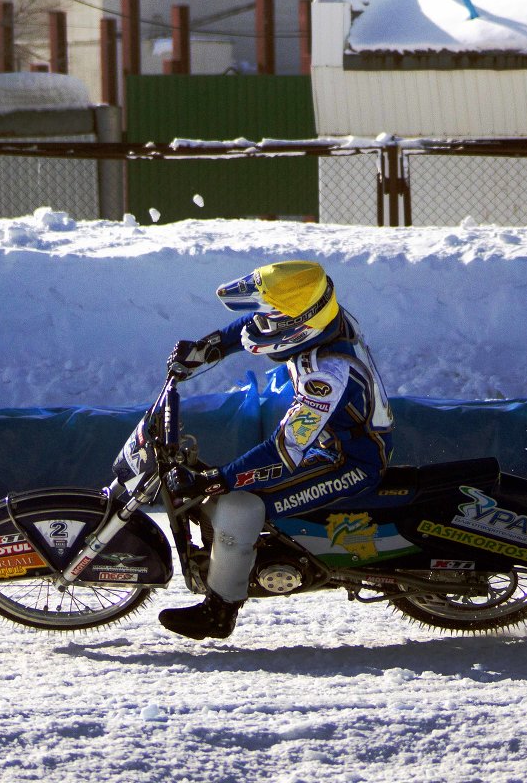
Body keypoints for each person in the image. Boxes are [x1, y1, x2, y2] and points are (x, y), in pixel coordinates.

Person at [158, 260, 394, 640]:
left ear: (298, 325)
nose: (263, 322)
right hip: (336, 440)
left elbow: (286, 450)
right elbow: (255, 325)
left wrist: (219, 479)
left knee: (239, 506)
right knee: (231, 488)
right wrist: (211, 347)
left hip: (350, 460)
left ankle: (219, 612)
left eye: (274, 317)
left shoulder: (326, 375)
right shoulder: (328, 316)